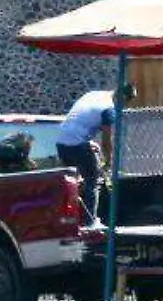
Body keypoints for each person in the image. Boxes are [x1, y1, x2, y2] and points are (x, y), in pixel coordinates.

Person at [54, 83, 135, 222]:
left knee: (70, 183)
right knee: (94, 180)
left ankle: (67, 219)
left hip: (62, 143)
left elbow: (79, 121)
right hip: (77, 144)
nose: (125, 106)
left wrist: (88, 142)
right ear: (121, 96)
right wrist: (108, 161)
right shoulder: (108, 108)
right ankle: (90, 221)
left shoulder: (93, 94)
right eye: (127, 101)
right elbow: (106, 140)